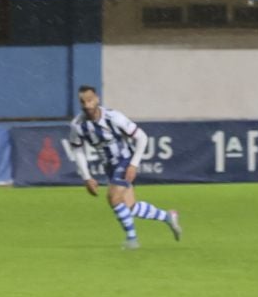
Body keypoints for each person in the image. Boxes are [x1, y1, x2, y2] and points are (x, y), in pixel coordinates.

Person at [68, 85, 181, 249]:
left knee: (113, 198)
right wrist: (87, 177)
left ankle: (132, 240)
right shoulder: (77, 125)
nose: (87, 106)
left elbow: (142, 137)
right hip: (109, 167)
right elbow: (77, 149)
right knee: (129, 207)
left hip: (125, 159)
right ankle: (168, 217)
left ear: (97, 99)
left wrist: (133, 165)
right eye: (83, 102)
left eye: (90, 101)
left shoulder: (114, 117)